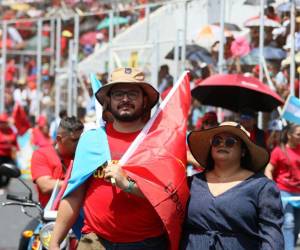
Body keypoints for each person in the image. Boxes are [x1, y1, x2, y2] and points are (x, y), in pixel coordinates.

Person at [49, 67, 168, 250]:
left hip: (147, 243)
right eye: (119, 94)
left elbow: (167, 194)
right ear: (108, 101)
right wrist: (55, 241)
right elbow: (74, 194)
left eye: (133, 94)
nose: (125, 99)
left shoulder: (159, 140)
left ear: (145, 101)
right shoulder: (91, 140)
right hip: (94, 241)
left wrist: (127, 185)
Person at [181, 121, 283, 249]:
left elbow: (272, 238)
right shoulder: (191, 183)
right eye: (217, 141)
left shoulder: (262, 187)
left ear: (243, 151)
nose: (222, 144)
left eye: (230, 141)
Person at [31, 116, 84, 208]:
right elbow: (45, 186)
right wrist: (79, 184)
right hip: (51, 216)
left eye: (81, 139)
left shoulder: (84, 156)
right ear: (59, 139)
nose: (79, 143)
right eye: (74, 140)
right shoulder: (41, 154)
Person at [265, 123, 300, 250]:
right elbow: (268, 169)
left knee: (297, 225)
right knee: (288, 222)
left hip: (299, 194)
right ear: (289, 135)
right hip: (284, 192)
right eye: (298, 134)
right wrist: (273, 187)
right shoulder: (279, 151)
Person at [0, 113, 18, 187]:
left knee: (11, 170)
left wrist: (15, 149)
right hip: (0, 156)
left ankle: (5, 183)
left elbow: (14, 142)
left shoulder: (11, 130)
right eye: (1, 122)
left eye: (4, 122)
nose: (3, 124)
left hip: (9, 156)